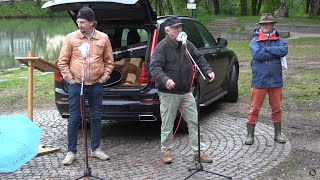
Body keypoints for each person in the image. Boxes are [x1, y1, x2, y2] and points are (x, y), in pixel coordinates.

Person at [149, 16, 215, 164]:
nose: (180, 30)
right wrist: (166, 80)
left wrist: (208, 71)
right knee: (167, 124)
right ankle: (166, 152)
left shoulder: (186, 44)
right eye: (176, 28)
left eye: (180, 27)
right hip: (168, 93)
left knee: (194, 122)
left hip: (186, 92)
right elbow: (154, 67)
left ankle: (199, 152)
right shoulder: (162, 47)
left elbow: (198, 58)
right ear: (168, 31)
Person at [58, 7, 114, 165]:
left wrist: (104, 78)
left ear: (92, 23)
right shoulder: (71, 38)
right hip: (77, 84)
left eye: (82, 22)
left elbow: (109, 61)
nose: (79, 24)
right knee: (74, 118)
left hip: (96, 85)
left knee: (96, 117)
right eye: (78, 21)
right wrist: (70, 79)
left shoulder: (103, 38)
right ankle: (71, 152)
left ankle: (95, 149)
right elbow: (62, 61)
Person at [245, 13, 288, 145]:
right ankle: (250, 135)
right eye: (263, 24)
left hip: (276, 81)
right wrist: (274, 52)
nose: (265, 26)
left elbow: (284, 50)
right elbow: (258, 54)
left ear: (272, 25)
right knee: (254, 109)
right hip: (259, 80)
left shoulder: (279, 39)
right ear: (260, 25)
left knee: (277, 108)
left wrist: (267, 49)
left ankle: (278, 134)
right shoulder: (255, 40)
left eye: (268, 24)